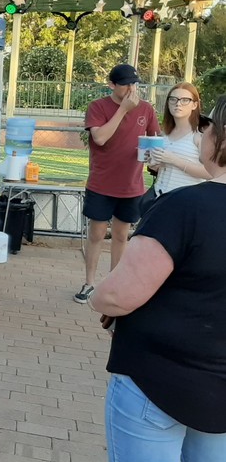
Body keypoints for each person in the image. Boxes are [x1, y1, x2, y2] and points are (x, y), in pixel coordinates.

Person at [90, 97, 226, 462]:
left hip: (158, 379)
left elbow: (116, 296)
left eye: (209, 128)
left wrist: (98, 300)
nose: (202, 133)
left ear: (220, 140)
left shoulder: (187, 207)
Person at [74, 64, 160, 303]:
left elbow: (154, 140)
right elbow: (99, 138)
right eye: (125, 84)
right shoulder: (98, 107)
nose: (131, 88)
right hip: (102, 183)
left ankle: (113, 282)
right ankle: (89, 282)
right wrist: (122, 110)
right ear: (112, 85)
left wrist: (155, 158)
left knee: (122, 235)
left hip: (131, 184)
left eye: (134, 83)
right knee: (97, 233)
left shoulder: (146, 109)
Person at [141, 82, 210, 216]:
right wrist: (155, 164)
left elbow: (210, 172)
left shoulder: (199, 136)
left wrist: (173, 159)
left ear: (194, 105)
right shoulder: (164, 135)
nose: (178, 104)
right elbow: (162, 168)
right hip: (159, 199)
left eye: (185, 100)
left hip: (187, 204)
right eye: (173, 99)